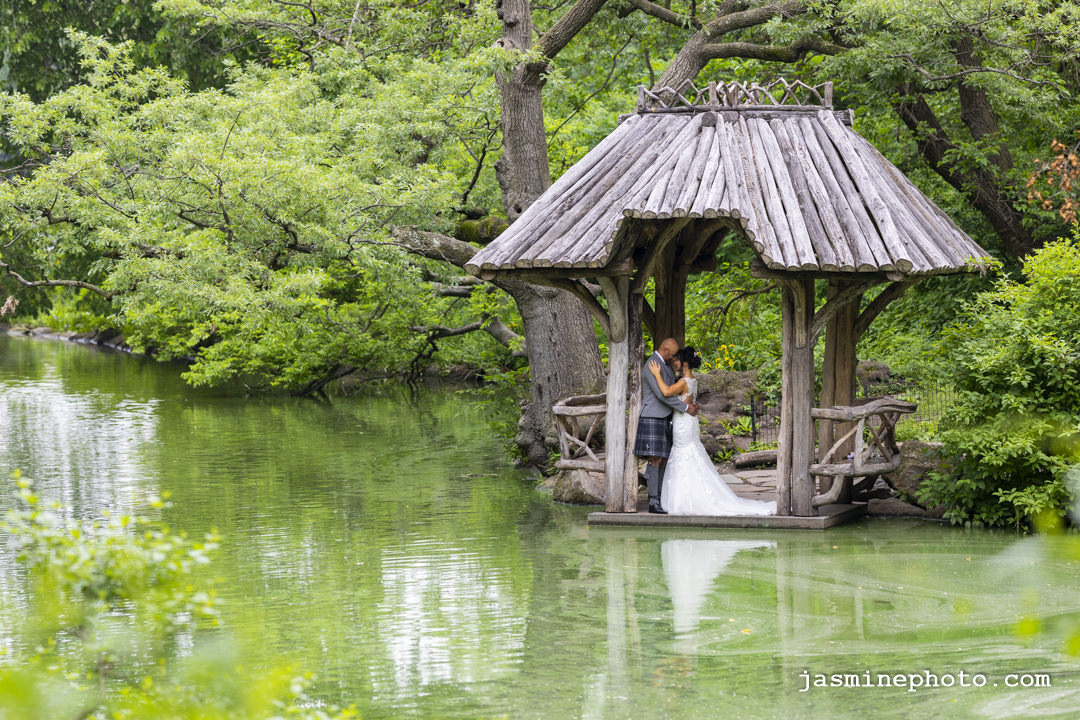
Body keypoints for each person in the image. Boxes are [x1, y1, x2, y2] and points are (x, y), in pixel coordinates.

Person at [647, 347, 776, 516]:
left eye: (677, 360)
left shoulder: (683, 382)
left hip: (683, 422)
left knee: (683, 454)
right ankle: (690, 495)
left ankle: (686, 499)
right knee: (689, 454)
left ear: (684, 363)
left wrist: (656, 374)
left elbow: (665, 392)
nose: (674, 362)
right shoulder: (692, 380)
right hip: (689, 421)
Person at [633, 338, 699, 514]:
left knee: (663, 459)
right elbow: (663, 395)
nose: (675, 357)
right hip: (653, 416)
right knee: (656, 459)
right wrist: (685, 407)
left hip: (666, 417)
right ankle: (653, 501)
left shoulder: (665, 365)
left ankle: (660, 496)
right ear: (665, 349)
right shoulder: (652, 365)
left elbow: (674, 389)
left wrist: (688, 403)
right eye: (673, 353)